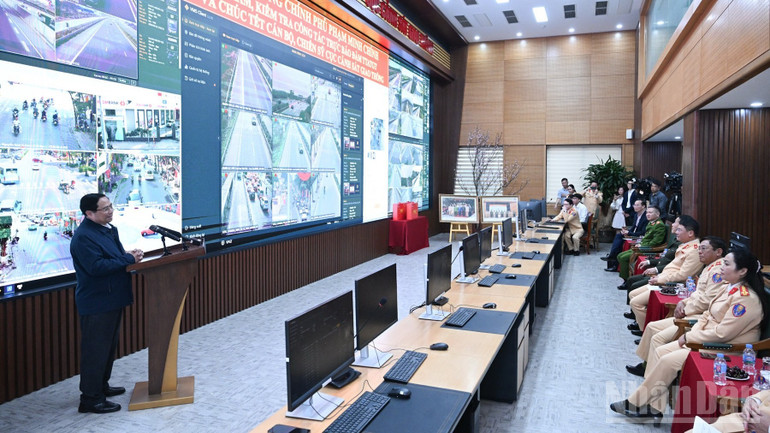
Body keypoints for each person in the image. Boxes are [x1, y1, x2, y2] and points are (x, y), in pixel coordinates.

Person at [610, 247, 767, 422]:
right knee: (661, 350)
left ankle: (635, 403)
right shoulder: (729, 287)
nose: (721, 267)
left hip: (726, 349)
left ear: (742, 271)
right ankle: (655, 407)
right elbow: (707, 315)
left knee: (668, 360)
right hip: (706, 339)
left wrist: (689, 338)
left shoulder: (746, 299)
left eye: (727, 264)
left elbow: (723, 334)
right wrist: (694, 333)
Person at [70, 193, 144, 413]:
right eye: (105, 209)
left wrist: (128, 254)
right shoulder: (83, 237)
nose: (110, 211)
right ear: (89, 213)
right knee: (95, 351)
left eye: (111, 206)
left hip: (112, 298)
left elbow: (112, 256)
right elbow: (96, 267)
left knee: (107, 348)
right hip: (97, 302)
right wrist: (127, 259)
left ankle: (101, 386)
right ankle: (90, 399)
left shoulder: (109, 230)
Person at [625, 236, 727, 377]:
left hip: (698, 316)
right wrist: (683, 303)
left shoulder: (717, 271)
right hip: (693, 310)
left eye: (704, 249)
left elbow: (706, 301)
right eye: (700, 248)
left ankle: (649, 372)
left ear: (718, 252)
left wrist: (685, 309)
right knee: (651, 327)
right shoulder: (710, 267)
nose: (699, 252)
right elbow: (698, 294)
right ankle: (646, 364)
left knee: (658, 338)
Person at [628, 215, 702, 329]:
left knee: (635, 302)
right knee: (632, 294)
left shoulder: (694, 250)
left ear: (690, 233)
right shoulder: (685, 246)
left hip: (672, 285)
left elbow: (683, 275)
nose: (676, 232)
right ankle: (643, 324)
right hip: (663, 278)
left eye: (679, 230)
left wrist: (660, 279)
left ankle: (644, 330)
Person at [615, 206, 668, 279]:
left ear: (657, 214)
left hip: (646, 249)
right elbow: (647, 237)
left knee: (623, 258)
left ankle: (626, 280)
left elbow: (656, 242)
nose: (647, 214)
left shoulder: (659, 225)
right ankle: (626, 278)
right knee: (619, 255)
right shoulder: (652, 223)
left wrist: (642, 246)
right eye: (647, 212)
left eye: (650, 212)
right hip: (641, 246)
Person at [602, 199, 648, 270]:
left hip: (640, 237)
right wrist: (626, 231)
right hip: (634, 234)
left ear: (643, 206)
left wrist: (629, 233)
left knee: (620, 241)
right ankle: (613, 260)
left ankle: (613, 259)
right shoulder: (636, 215)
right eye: (634, 205)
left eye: (637, 205)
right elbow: (633, 227)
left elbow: (643, 232)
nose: (635, 207)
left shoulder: (646, 217)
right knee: (619, 235)